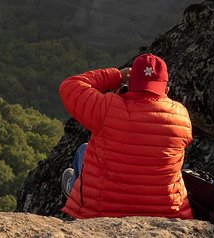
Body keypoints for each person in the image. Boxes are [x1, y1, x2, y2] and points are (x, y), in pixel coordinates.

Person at [59, 53, 193, 219]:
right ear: (165, 89)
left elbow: (70, 86)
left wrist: (116, 76)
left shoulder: (107, 107)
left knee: (83, 151)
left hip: (102, 210)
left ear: (129, 84)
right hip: (166, 211)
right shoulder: (181, 116)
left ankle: (73, 186)